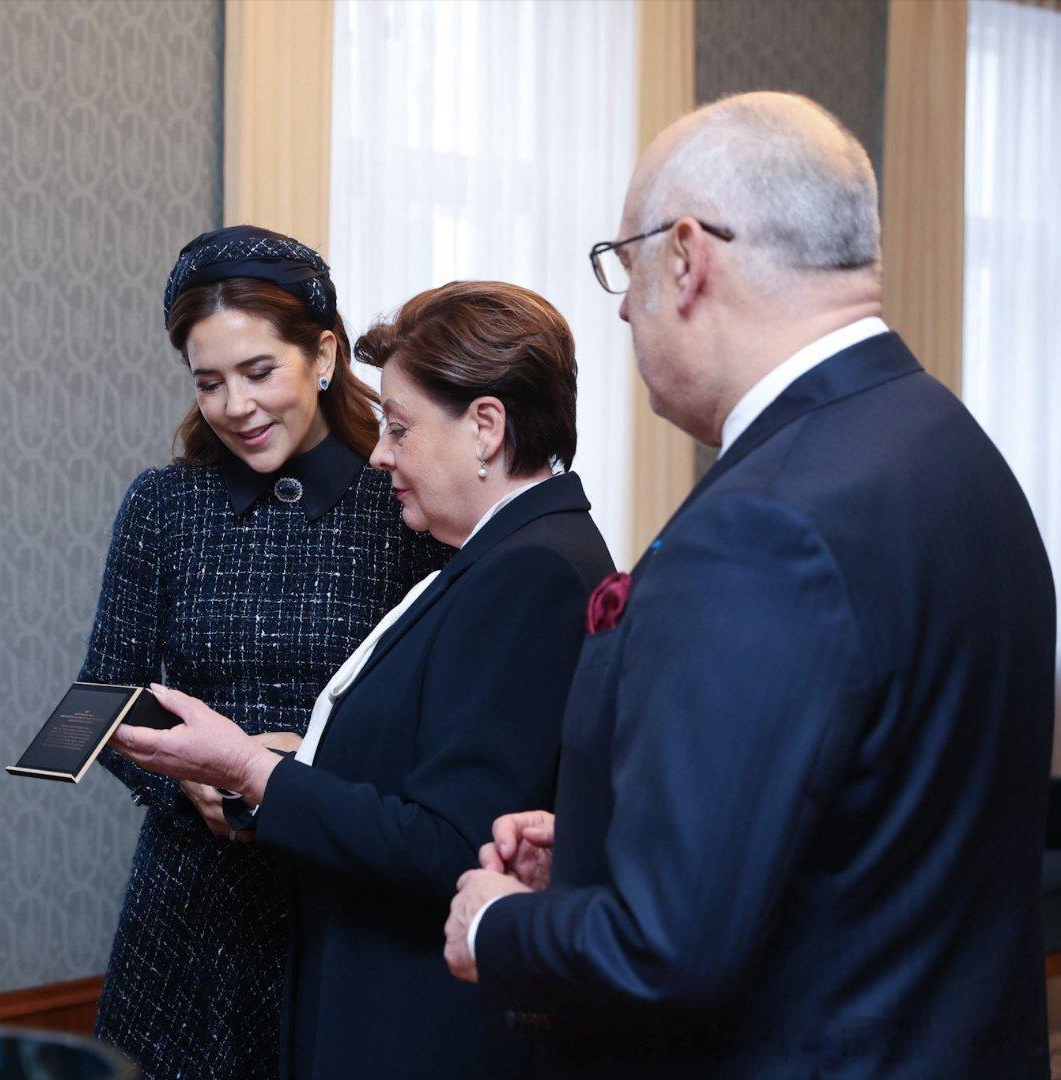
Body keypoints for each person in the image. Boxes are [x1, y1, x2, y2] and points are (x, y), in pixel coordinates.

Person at [445, 92, 1056, 1078]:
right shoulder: (949, 446)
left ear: (686, 257)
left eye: (625, 267)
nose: (621, 306)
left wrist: (499, 926)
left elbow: (666, 950)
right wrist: (604, 847)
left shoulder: (762, 524)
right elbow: (881, 816)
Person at [112, 280, 613, 1078]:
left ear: (485, 428)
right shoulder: (500, 554)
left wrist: (252, 770)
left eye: (400, 429)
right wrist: (295, 760)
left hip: (414, 1014)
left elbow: (451, 840)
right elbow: (419, 765)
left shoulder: (530, 572)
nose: (382, 454)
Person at [84, 225, 449, 1078]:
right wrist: (188, 784)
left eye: (258, 372)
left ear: (322, 355)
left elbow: (438, 717)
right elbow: (101, 699)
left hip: (345, 898)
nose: (235, 407)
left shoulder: (402, 502)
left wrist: (302, 772)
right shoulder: (164, 504)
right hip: (188, 912)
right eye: (208, 382)